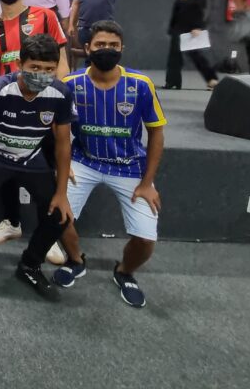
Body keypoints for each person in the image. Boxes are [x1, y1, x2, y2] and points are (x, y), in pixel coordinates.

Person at [54, 21, 166, 308]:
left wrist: (147, 182)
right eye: (101, 45)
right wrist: (62, 171)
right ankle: (76, 260)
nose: (107, 49)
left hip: (130, 167)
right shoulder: (71, 84)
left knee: (146, 239)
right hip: (84, 161)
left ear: (122, 49)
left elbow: (156, 133)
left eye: (113, 45)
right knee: (57, 216)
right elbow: (60, 132)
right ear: (87, 48)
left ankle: (125, 271)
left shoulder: (141, 85)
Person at [0, 35, 75, 301]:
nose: (42, 74)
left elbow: (63, 143)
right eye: (35, 67)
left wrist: (61, 193)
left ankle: (30, 265)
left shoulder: (61, 93)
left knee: (60, 215)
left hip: (32, 159)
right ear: (20, 65)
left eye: (49, 69)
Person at [0, 0, 68, 262]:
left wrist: (57, 97)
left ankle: (49, 237)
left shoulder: (44, 16)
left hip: (44, 106)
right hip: (7, 107)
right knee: (7, 162)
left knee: (46, 169)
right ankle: (12, 222)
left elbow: (61, 61)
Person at [165, 0, 219, 89]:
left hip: (191, 28)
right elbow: (177, 10)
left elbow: (202, 10)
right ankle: (172, 82)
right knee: (174, 56)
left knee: (196, 55)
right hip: (177, 28)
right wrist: (172, 28)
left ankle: (212, 79)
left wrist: (197, 27)